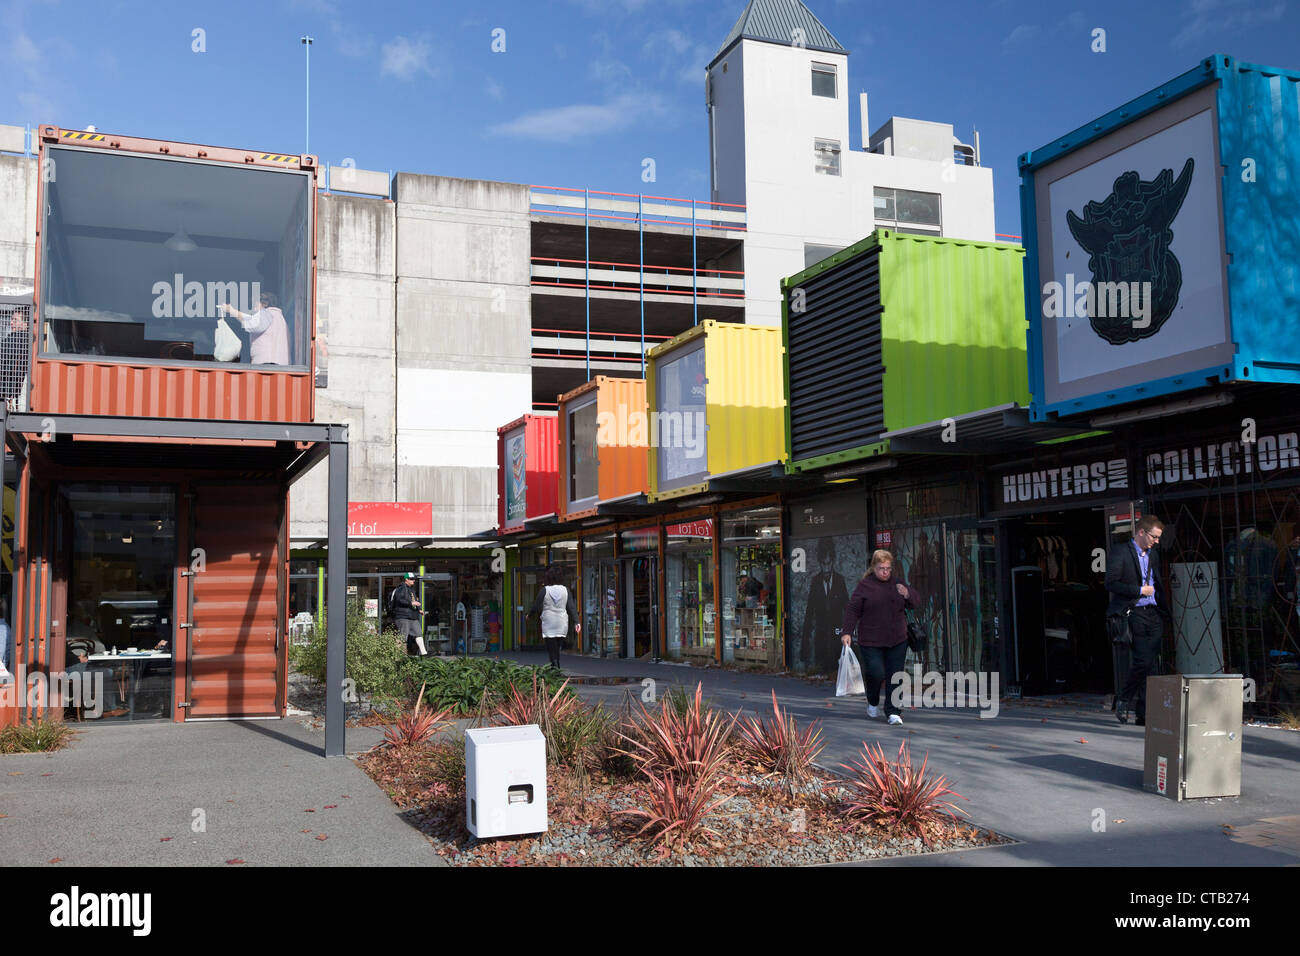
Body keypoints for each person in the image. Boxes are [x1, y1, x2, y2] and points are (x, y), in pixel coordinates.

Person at [840, 549, 920, 726]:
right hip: (871, 640)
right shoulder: (865, 586)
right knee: (876, 673)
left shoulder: (897, 583)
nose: (885, 572)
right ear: (874, 568)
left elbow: (915, 601)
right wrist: (847, 632)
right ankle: (873, 700)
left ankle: (893, 712)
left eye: (888, 568)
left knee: (895, 675)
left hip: (898, 638)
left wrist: (906, 593)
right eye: (881, 568)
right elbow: (853, 609)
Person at [1106, 514, 1172, 726]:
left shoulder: (1153, 555)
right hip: (1134, 612)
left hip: (1154, 613)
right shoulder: (1121, 552)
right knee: (1143, 660)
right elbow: (1111, 583)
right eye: (1154, 537)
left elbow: (1158, 583)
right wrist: (1138, 590)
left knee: (1151, 665)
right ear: (1141, 532)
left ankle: (1144, 714)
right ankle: (1124, 699)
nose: (1157, 541)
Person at [800, 537, 849, 673]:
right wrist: (805, 650)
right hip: (820, 638)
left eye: (829, 563)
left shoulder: (840, 580)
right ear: (819, 562)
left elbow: (847, 608)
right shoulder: (815, 581)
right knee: (822, 667)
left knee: (835, 667)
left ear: (833, 561)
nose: (826, 568)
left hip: (836, 634)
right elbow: (809, 614)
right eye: (823, 563)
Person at [529, 565, 580, 673]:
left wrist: (529, 615)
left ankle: (555, 667)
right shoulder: (565, 590)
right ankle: (556, 665)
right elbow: (571, 607)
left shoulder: (545, 590)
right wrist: (577, 621)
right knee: (557, 646)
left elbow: (536, 606)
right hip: (562, 622)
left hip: (549, 622)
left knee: (551, 647)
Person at [219, 292, 290, 366]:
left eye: (255, 304)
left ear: (264, 304)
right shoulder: (279, 318)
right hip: (279, 363)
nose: (253, 308)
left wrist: (232, 311)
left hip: (267, 362)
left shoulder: (267, 313)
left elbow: (253, 324)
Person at [389, 572, 426, 657]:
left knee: (418, 633)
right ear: (406, 580)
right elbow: (399, 600)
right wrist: (411, 603)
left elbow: (415, 601)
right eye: (412, 579)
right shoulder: (401, 588)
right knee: (402, 636)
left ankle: (424, 653)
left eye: (414, 579)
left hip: (412, 616)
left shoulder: (411, 589)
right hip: (402, 616)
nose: (414, 581)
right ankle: (398, 656)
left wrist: (419, 610)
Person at [0, 308, 31, 409]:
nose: (11, 322)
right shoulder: (30, 341)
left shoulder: (14, 339)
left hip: (6, 387)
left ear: (25, 324)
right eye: (11, 319)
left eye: (15, 320)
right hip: (16, 389)